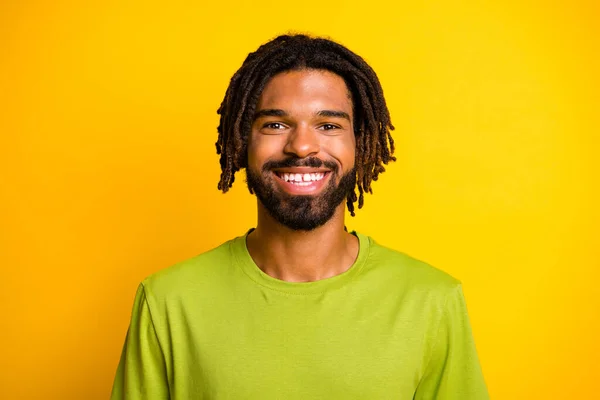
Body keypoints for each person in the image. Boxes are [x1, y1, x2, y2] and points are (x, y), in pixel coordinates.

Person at [110, 34, 489, 399]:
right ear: (241, 142)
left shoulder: (431, 301)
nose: (302, 146)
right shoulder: (167, 301)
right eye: (275, 124)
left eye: (328, 125)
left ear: (359, 143)